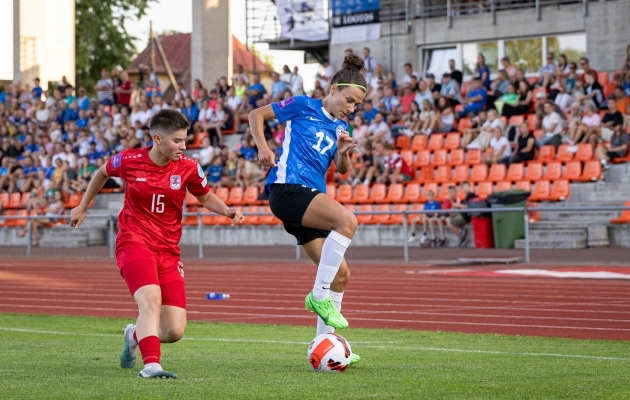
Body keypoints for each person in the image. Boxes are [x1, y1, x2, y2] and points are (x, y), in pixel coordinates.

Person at [70, 109, 244, 379]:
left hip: (168, 250)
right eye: (177, 141)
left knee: (174, 331)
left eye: (185, 140)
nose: (183, 146)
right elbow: (101, 172)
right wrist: (83, 206)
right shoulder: (130, 160)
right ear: (157, 138)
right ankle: (151, 365)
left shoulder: (188, 166)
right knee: (151, 302)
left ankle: (134, 334)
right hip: (133, 241)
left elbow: (205, 196)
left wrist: (227, 210)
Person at [248, 53, 367, 366]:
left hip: (310, 199)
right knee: (348, 221)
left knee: (341, 275)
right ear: (331, 90)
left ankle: (324, 347)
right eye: (348, 100)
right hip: (288, 189)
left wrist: (343, 153)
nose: (351, 108)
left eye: (356, 105)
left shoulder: (339, 128)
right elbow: (256, 115)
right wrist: (263, 146)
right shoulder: (302, 104)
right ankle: (318, 295)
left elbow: (342, 170)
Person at [447, 181, 475, 247]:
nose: (465, 188)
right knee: (449, 218)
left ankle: (461, 234)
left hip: (467, 216)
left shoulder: (470, 195)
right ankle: (461, 235)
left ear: (469, 187)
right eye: (464, 187)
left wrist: (455, 205)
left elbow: (467, 207)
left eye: (467, 187)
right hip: (464, 214)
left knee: (450, 221)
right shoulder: (466, 196)